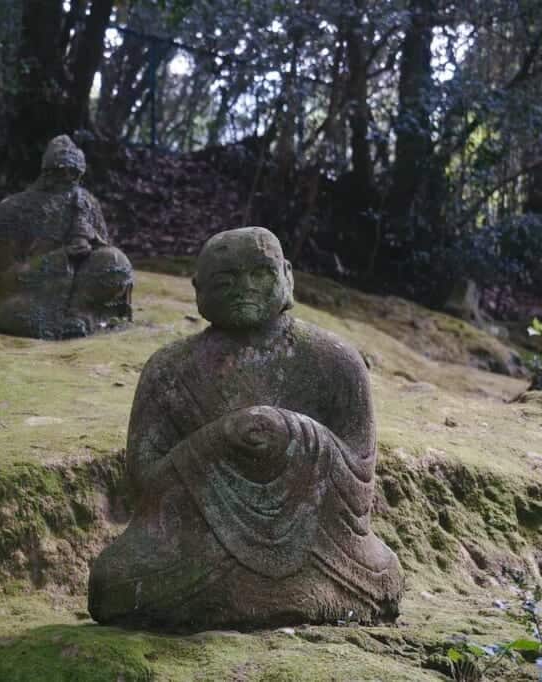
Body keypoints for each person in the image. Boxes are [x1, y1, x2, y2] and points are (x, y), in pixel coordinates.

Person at [88, 226, 403, 631]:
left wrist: (295, 435)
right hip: (199, 547)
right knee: (112, 581)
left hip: (318, 548)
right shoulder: (168, 369)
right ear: (198, 289)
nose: (245, 288)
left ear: (287, 275)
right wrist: (216, 441)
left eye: (260, 274)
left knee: (383, 575)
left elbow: (360, 479)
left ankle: (291, 594)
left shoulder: (336, 360)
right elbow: (145, 484)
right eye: (225, 280)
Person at [0, 135, 133, 340]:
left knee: (116, 262)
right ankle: (71, 322)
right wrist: (61, 256)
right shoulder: (11, 210)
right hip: (33, 297)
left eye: (74, 174)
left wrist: (94, 240)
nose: (67, 178)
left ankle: (82, 316)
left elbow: (103, 256)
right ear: (46, 172)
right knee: (14, 313)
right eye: (60, 172)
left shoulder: (88, 203)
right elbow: (7, 281)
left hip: (81, 293)